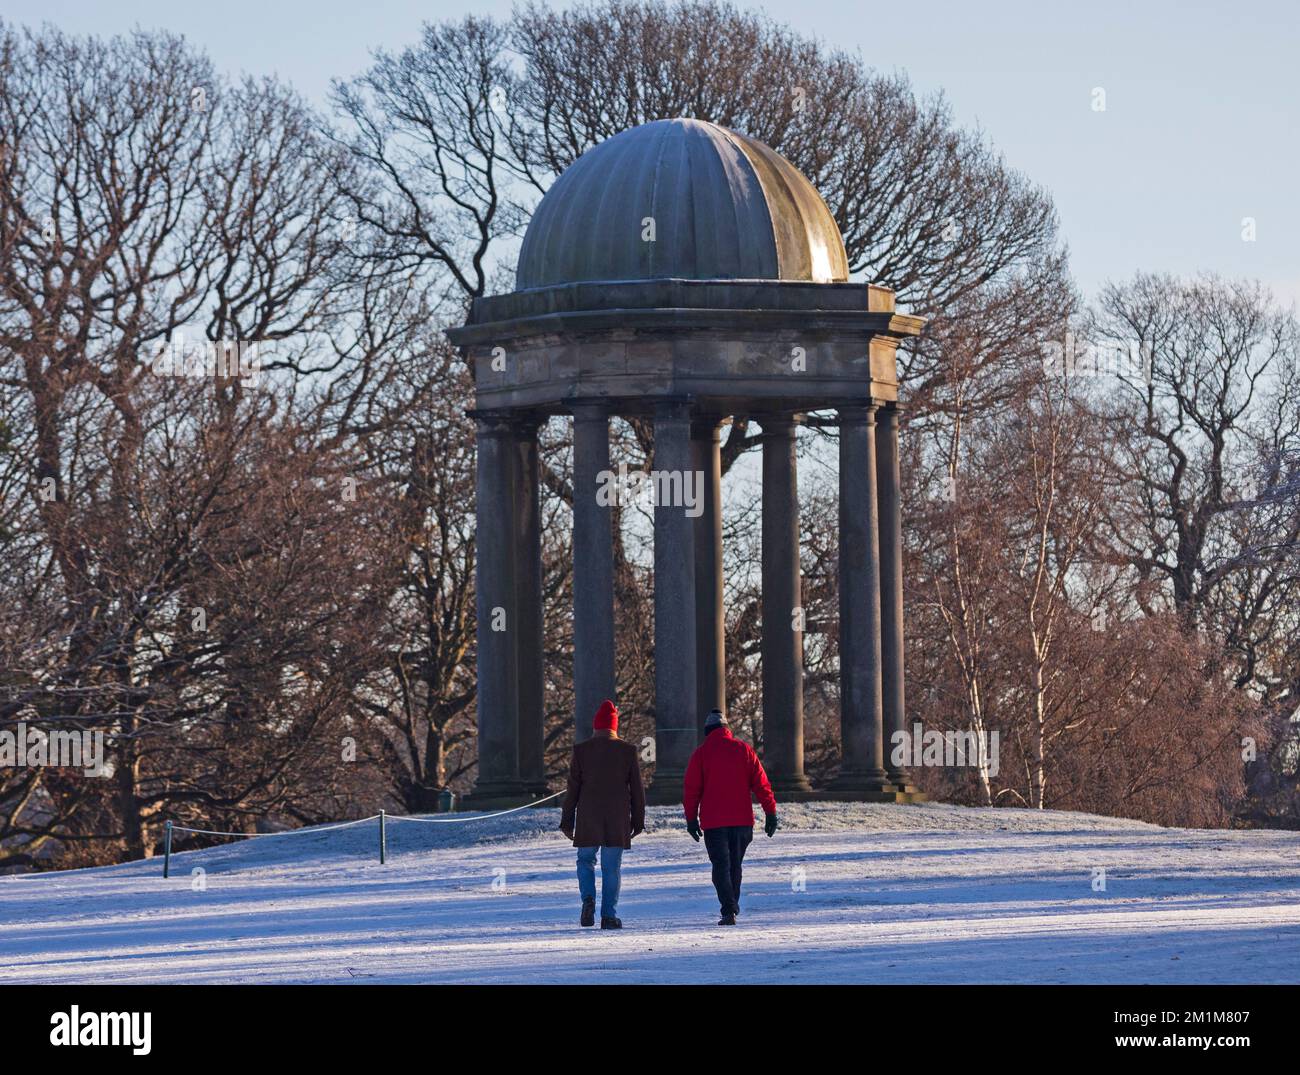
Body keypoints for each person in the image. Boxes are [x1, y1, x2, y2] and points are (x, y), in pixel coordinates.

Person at [683, 708, 779, 926]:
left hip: (714, 822)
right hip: (742, 821)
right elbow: (762, 785)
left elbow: (691, 790)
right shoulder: (744, 750)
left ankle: (729, 909)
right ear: (727, 729)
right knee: (735, 865)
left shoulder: (701, 754)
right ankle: (731, 906)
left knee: (720, 865)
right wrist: (770, 812)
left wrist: (691, 819)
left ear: (708, 731)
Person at [560, 699, 646, 929]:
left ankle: (588, 899)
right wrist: (638, 821)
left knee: (585, 860)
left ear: (596, 726)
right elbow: (637, 790)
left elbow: (573, 790)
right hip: (617, 818)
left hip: (588, 817)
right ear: (615, 726)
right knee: (611, 868)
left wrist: (567, 821)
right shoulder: (628, 751)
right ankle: (608, 916)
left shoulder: (581, 750)